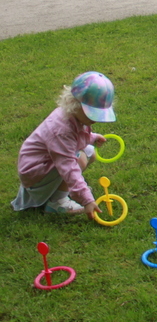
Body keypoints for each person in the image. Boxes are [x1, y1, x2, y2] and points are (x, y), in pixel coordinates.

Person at [11, 71, 115, 216]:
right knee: (79, 159)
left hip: (46, 163)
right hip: (35, 173)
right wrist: (86, 199)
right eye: (92, 113)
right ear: (75, 105)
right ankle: (57, 202)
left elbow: (75, 137)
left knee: (90, 152)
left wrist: (92, 137)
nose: (96, 119)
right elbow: (68, 167)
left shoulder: (73, 116)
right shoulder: (62, 130)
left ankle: (63, 190)